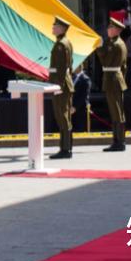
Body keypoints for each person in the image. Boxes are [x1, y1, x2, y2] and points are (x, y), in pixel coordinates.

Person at [94, 18, 129, 151]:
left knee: (116, 112)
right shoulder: (113, 42)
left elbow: (106, 62)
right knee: (115, 112)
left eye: (110, 28)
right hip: (114, 79)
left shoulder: (116, 45)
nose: (108, 30)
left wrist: (99, 49)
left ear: (117, 30)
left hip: (113, 80)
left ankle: (119, 142)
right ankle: (118, 141)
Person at [49, 17, 75, 159]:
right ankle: (66, 147)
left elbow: (62, 68)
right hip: (63, 83)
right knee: (63, 116)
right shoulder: (64, 42)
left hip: (61, 84)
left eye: (56, 25)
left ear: (62, 28)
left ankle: (66, 149)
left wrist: (58, 86)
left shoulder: (61, 44)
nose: (53, 27)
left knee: (63, 116)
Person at [71, 65, 92, 133]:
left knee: (79, 129)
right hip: (71, 107)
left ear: (79, 67)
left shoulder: (85, 79)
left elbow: (84, 96)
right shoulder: (72, 77)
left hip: (80, 109)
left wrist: (75, 107)